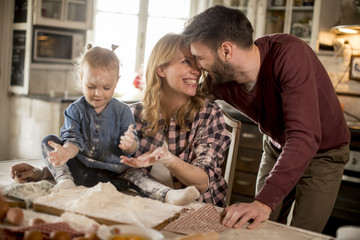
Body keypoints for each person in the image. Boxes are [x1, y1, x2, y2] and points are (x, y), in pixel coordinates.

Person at [182, 5, 350, 232]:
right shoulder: (219, 78)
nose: (198, 66)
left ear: (226, 51)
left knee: (300, 233)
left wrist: (263, 203)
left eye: (200, 57)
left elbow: (304, 136)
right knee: (262, 228)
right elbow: (182, 101)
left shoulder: (289, 54)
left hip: (324, 155)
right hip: (276, 147)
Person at [10, 44, 200, 205]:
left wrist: (130, 144)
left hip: (114, 174)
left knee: (137, 175)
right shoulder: (75, 110)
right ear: (81, 78)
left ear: (116, 83)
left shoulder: (123, 111)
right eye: (91, 86)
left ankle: (168, 195)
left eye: (106, 88)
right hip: (80, 170)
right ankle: (64, 181)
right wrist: (65, 152)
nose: (98, 93)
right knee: (49, 141)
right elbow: (72, 139)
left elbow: (132, 147)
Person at [120, 33, 231, 207]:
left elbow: (203, 181)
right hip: (143, 207)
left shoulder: (208, 114)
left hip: (197, 210)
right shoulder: (130, 115)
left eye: (197, 63)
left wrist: (168, 158)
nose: (196, 71)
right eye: (186, 61)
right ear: (161, 69)